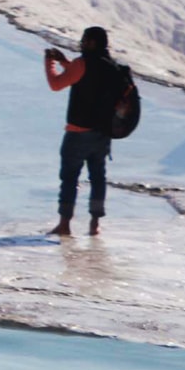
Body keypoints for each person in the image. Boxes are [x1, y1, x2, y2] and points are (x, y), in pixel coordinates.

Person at [44, 28, 123, 237]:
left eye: (85, 40)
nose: (82, 43)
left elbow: (56, 84)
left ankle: (64, 224)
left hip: (78, 132)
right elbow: (88, 79)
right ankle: (94, 224)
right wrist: (64, 62)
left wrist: (49, 63)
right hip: (103, 134)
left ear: (90, 43)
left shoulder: (82, 64)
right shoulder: (113, 67)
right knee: (98, 177)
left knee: (69, 178)